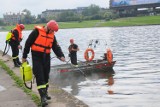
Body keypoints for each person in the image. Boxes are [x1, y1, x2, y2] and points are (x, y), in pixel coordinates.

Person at [22, 20, 65, 107]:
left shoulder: (52, 36)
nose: (53, 32)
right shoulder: (36, 32)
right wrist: (24, 56)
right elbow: (28, 43)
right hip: (36, 56)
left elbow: (56, 47)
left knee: (46, 75)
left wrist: (61, 56)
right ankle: (43, 98)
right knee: (40, 76)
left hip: (46, 56)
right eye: (52, 30)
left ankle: (45, 92)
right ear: (48, 28)